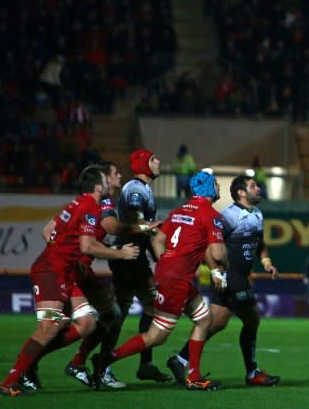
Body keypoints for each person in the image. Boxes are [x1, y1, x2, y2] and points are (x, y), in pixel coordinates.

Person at [0, 167, 140, 397]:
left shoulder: (75, 204)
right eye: (106, 178)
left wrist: (64, 252)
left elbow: (47, 232)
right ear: (98, 187)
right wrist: (121, 253)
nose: (111, 181)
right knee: (48, 329)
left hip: (65, 270)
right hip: (52, 271)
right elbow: (87, 246)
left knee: (87, 324)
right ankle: (11, 380)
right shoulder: (91, 206)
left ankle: (39, 363)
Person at [27, 161, 159, 391]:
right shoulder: (105, 200)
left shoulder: (88, 201)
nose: (118, 177)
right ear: (104, 180)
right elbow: (111, 226)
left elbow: (47, 231)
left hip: (78, 269)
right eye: (115, 173)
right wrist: (141, 230)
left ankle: (73, 363)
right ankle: (33, 364)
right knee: (75, 322)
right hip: (73, 270)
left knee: (107, 314)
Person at [93, 170, 227, 391]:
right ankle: (106, 359)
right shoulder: (211, 216)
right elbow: (219, 254)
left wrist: (168, 260)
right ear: (209, 189)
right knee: (157, 336)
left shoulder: (177, 212)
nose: (219, 188)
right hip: (177, 280)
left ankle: (193, 373)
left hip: (169, 274)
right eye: (216, 185)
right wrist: (220, 268)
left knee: (204, 319)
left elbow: (158, 241)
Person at [166, 174, 281, 387]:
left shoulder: (257, 214)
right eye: (253, 186)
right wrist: (215, 271)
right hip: (232, 277)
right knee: (252, 319)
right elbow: (209, 243)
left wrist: (266, 260)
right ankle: (252, 373)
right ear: (241, 192)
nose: (258, 188)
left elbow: (259, 241)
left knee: (215, 323)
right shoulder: (228, 217)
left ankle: (180, 359)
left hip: (237, 277)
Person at [107, 148, 172, 382]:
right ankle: (105, 364)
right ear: (144, 165)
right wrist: (155, 233)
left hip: (134, 255)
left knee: (132, 311)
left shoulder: (143, 188)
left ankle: (142, 364)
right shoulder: (135, 189)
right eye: (154, 159)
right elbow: (137, 218)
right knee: (143, 310)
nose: (159, 161)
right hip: (129, 255)